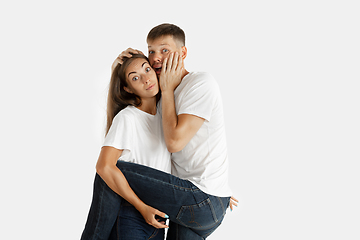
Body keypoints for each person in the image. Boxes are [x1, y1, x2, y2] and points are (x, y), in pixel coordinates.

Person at [82, 23, 238, 240]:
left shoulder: (200, 83)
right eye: (151, 51)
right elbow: (169, 153)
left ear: (183, 52)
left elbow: (174, 143)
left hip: (201, 197)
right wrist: (117, 71)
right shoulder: (160, 101)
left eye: (164, 50)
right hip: (189, 201)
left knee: (111, 168)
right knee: (109, 168)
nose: (155, 58)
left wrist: (216, 190)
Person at [81, 54, 170, 240]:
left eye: (147, 69)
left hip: (158, 220)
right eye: (135, 78)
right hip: (132, 216)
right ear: (128, 88)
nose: (146, 79)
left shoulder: (166, 114)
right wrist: (142, 207)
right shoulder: (127, 118)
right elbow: (104, 167)